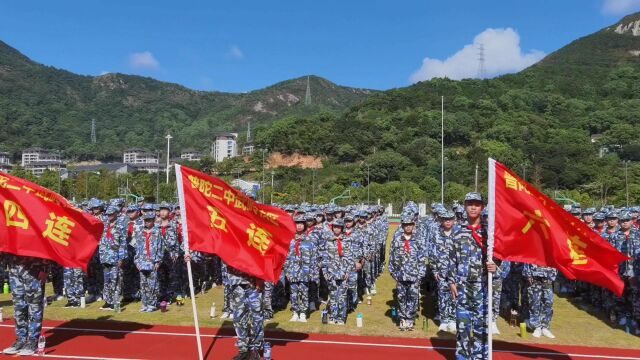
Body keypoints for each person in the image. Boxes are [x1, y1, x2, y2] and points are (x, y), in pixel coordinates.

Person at [448, 192, 498, 360]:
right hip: (462, 288)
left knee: (481, 330)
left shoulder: (489, 233)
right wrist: (451, 281)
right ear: (465, 206)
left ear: (482, 207)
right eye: (470, 203)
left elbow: (501, 258)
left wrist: (496, 266)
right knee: (462, 328)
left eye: (477, 204)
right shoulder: (457, 231)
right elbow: (451, 258)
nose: (473, 207)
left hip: (482, 288)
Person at [1, 254, 50, 356]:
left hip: (34, 269)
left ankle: (33, 341)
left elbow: (46, 247)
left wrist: (45, 269)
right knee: (19, 306)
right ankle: (21, 340)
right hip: (15, 268)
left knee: (35, 306)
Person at [389, 215, 427, 331]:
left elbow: (422, 259)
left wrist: (420, 275)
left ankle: (410, 319)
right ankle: (402, 318)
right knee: (401, 297)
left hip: (414, 275)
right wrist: (393, 273)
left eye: (410, 225)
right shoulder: (397, 239)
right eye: (406, 225)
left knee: (413, 297)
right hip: (400, 275)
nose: (408, 227)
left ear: (413, 226)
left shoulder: (418, 239)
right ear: (402, 226)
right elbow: (392, 257)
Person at [321, 218, 354, 325]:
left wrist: (348, 272)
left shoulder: (347, 241)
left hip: (343, 273)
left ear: (342, 228)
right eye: (335, 227)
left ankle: (341, 317)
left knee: (342, 296)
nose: (336, 229)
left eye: (339, 227)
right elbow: (324, 258)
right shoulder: (328, 241)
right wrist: (325, 272)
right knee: (333, 295)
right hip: (331, 273)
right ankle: (333, 316)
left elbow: (350, 258)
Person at [283, 216, 316, 322]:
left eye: (302, 224)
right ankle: (295, 312)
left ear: (305, 225)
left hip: (304, 271)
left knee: (304, 292)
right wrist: (287, 271)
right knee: (293, 293)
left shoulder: (310, 239)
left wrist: (312, 271)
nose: (299, 226)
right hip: (292, 271)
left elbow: (314, 257)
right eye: (297, 224)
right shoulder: (290, 240)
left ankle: (303, 313)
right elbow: (286, 257)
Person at [99, 205, 128, 310]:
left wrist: (121, 258)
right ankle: (107, 301)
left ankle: (115, 302)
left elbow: (123, 243)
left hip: (115, 257)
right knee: (106, 280)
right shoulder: (105, 225)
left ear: (116, 214)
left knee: (115, 280)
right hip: (105, 256)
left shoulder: (120, 226)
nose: (109, 216)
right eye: (108, 214)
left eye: (111, 214)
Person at [133, 212, 164, 312]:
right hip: (142, 262)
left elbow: (161, 247)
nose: (147, 222)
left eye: (149, 220)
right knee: (143, 284)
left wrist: (158, 261)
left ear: (153, 221)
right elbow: (137, 247)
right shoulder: (140, 232)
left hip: (152, 262)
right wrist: (136, 261)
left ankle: (152, 304)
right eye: (145, 220)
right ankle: (145, 304)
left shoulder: (157, 232)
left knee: (153, 284)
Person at [522, 263, 557, 338]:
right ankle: (537, 327)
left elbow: (555, 260)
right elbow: (527, 258)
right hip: (535, 276)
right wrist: (528, 274)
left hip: (548, 276)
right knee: (534, 303)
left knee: (548, 302)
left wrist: (553, 274)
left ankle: (545, 327)